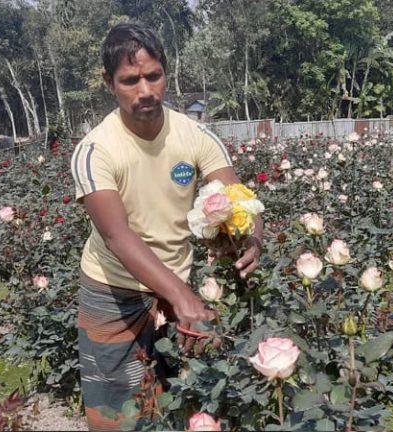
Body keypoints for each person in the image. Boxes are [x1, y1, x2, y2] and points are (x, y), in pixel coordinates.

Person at [70, 22, 263, 430]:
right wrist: (183, 296)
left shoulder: (195, 135)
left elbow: (237, 196)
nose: (145, 90)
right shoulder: (95, 150)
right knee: (115, 413)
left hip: (176, 281)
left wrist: (254, 236)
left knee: (183, 396)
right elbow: (117, 235)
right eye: (130, 80)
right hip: (114, 290)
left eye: (153, 76)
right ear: (109, 83)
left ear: (166, 73)